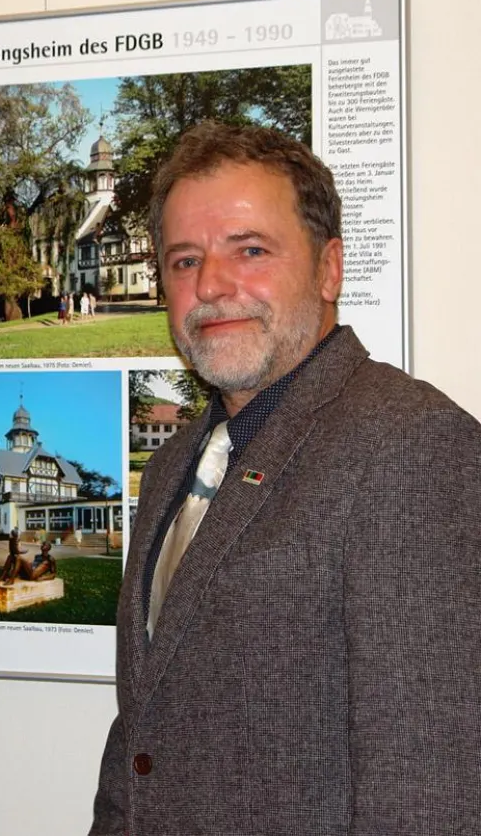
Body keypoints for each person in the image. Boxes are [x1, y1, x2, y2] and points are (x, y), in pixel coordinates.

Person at [90, 121, 481, 836]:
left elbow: (429, 788)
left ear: (328, 267)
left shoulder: (409, 444)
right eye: (183, 260)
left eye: (250, 250)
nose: (210, 284)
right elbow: (142, 738)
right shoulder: (176, 462)